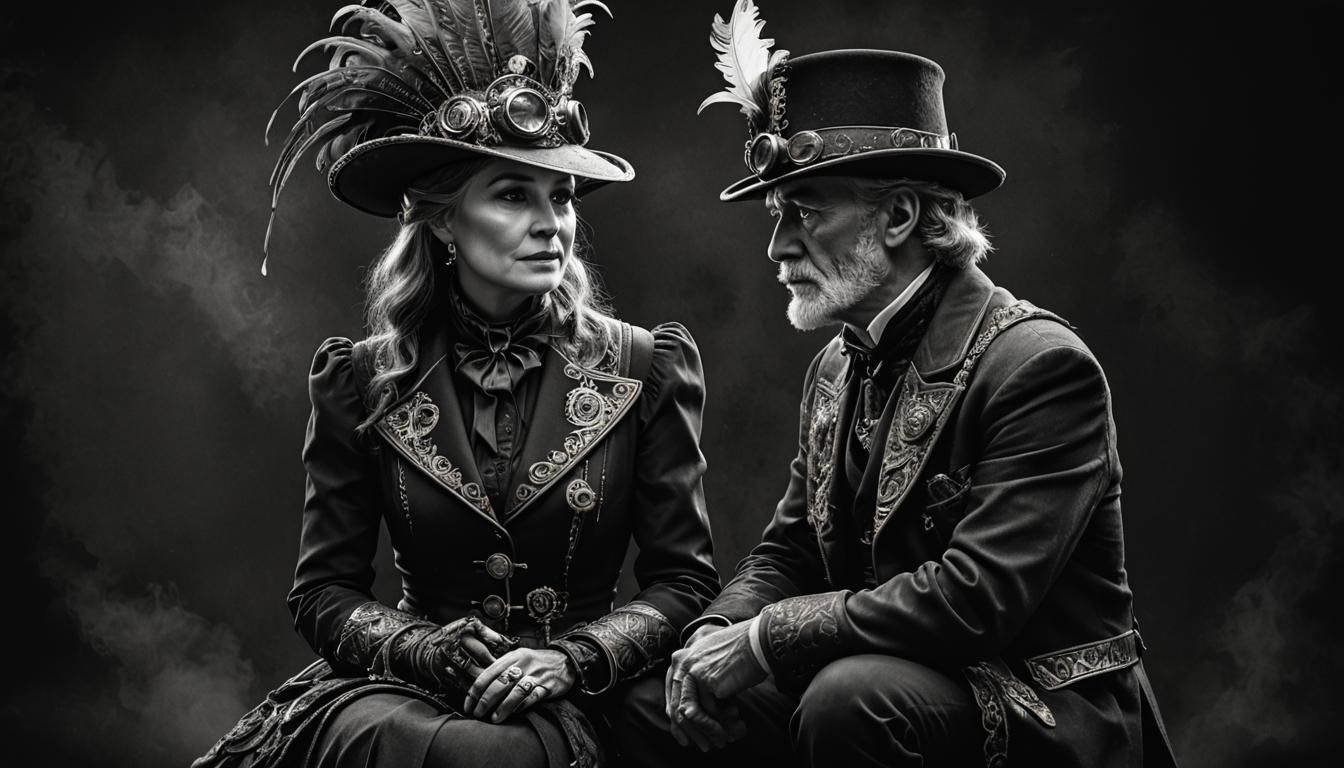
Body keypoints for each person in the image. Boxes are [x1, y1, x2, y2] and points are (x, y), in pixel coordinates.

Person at [620, 2, 1179, 767]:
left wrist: (765, 639)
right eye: (777, 216)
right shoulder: (838, 363)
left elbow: (974, 601)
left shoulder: (1043, 367)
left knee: (850, 698)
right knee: (655, 703)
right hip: (892, 675)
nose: (778, 247)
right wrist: (716, 635)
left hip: (1046, 707)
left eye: (804, 213)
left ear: (901, 216)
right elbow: (791, 553)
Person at [192, 2, 719, 767]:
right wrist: (424, 649)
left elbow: (685, 583)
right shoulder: (358, 380)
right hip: (415, 691)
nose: (553, 225)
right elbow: (322, 594)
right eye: (513, 195)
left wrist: (572, 659)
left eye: (562, 197)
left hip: (590, 689)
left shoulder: (646, 367)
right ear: (442, 221)